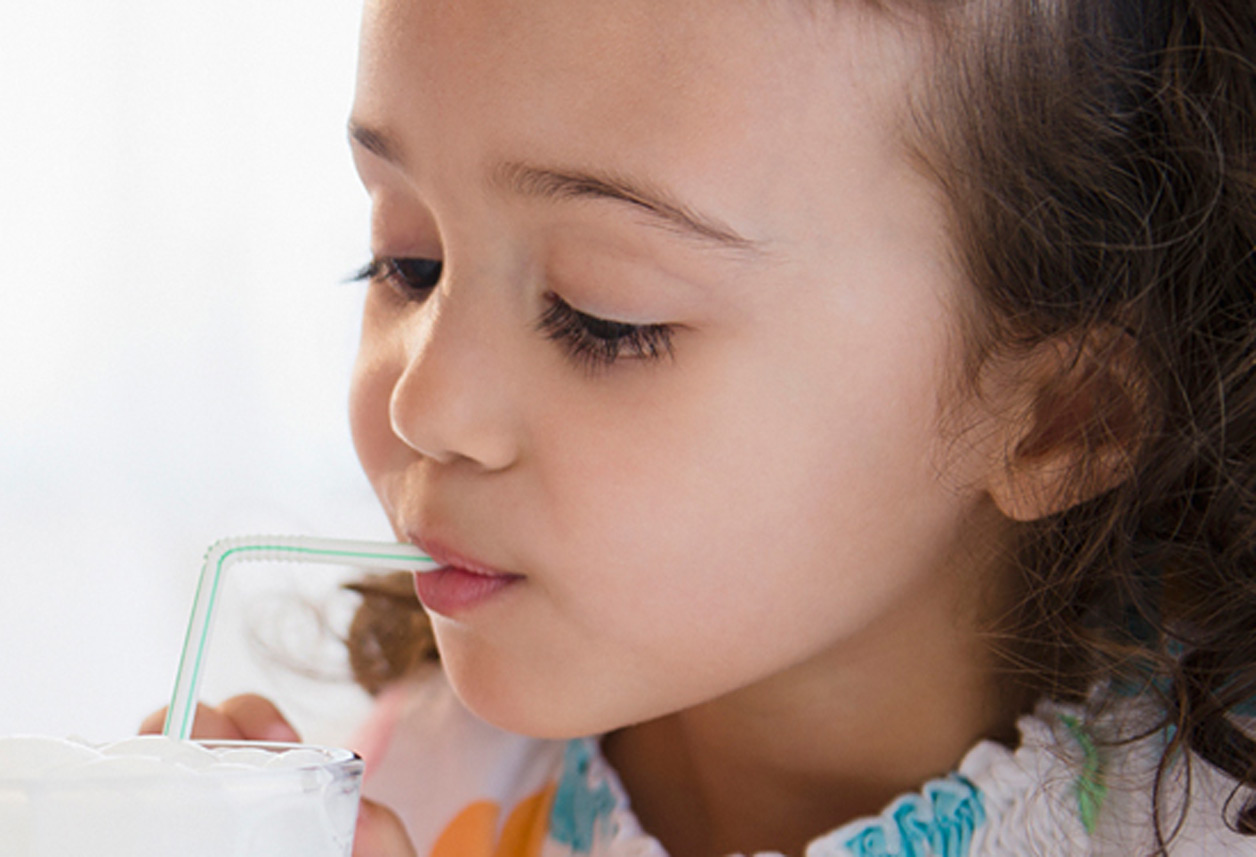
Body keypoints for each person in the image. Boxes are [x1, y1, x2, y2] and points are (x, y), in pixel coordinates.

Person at [143, 0, 1256, 854]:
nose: (420, 404)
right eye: (408, 260)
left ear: (1053, 422)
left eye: (601, 316)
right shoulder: (396, 792)